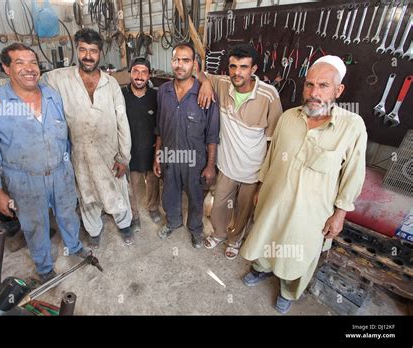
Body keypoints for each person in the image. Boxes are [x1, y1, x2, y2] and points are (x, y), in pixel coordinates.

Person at [0, 28, 135, 247]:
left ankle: (124, 225)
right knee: (87, 196)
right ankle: (94, 230)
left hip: (109, 152)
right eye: (83, 50)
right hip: (80, 154)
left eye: (93, 51)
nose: (88, 55)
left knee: (118, 192)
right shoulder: (58, 78)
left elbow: (122, 122)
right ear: (77, 50)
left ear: (100, 53)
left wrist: (124, 157)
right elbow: (24, 80)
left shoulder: (111, 83)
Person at [239, 55, 367, 313]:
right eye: (309, 85)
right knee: (266, 236)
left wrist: (339, 214)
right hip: (274, 199)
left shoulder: (352, 127)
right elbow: (272, 156)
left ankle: (288, 290)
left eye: (323, 85)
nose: (313, 92)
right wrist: (261, 188)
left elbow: (354, 175)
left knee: (298, 255)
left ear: (338, 90)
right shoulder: (288, 117)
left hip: (311, 213)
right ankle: (262, 269)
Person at [0, 43, 91, 284]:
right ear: (6, 68)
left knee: (69, 213)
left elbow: (66, 135)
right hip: (23, 178)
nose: (29, 69)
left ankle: (74, 245)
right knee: (34, 224)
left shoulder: (52, 95)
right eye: (20, 63)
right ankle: (44, 266)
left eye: (33, 63)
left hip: (61, 171)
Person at [197, 44, 282, 259]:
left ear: (254, 69)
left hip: (253, 170)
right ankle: (219, 233)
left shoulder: (268, 95)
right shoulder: (223, 83)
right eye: (233, 66)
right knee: (219, 205)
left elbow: (274, 141)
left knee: (243, 210)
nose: (237, 72)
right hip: (227, 167)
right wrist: (206, 82)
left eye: (244, 67)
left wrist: (265, 177)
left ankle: (235, 240)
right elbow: (197, 71)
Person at [153, 43, 220, 248]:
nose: (179, 65)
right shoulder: (163, 91)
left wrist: (210, 165)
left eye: (185, 60)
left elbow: (212, 134)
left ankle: (195, 230)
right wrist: (157, 154)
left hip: (195, 159)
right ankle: (172, 222)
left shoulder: (205, 94)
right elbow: (159, 126)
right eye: (176, 60)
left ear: (194, 65)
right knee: (170, 192)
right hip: (170, 156)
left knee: (195, 197)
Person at [122, 57, 161, 233]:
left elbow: (161, 125)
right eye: (135, 71)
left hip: (151, 150)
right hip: (130, 151)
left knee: (153, 183)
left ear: (149, 75)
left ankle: (153, 208)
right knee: (131, 187)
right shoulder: (121, 96)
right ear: (130, 73)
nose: (139, 76)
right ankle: (134, 215)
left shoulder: (156, 96)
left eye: (144, 72)